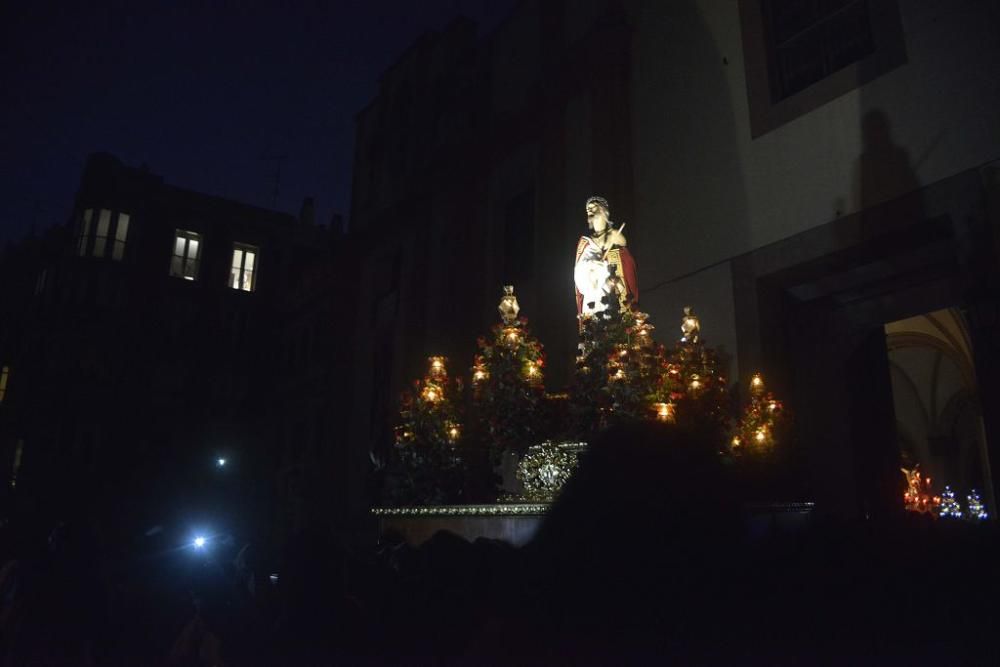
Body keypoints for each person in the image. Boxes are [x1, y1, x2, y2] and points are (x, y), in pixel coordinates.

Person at [574, 196, 638, 316]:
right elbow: (578, 274)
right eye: (588, 210)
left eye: (594, 208)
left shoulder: (615, 236)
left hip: (611, 294)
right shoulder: (586, 244)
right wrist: (591, 267)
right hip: (593, 296)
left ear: (604, 211)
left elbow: (625, 263)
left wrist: (606, 263)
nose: (590, 211)